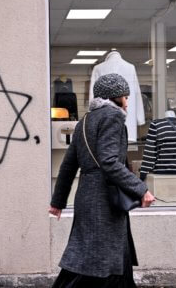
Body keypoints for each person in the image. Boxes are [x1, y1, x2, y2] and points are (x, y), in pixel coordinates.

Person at [49, 73, 155, 288]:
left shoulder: (85, 120)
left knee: (105, 257)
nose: (127, 102)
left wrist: (57, 202)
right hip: (104, 199)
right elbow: (109, 162)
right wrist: (141, 189)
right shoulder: (112, 117)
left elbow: (69, 165)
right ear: (116, 97)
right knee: (95, 264)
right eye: (125, 97)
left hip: (87, 197)